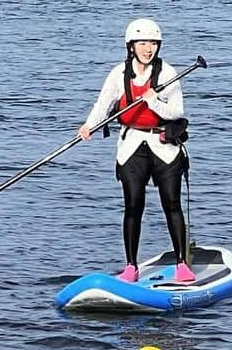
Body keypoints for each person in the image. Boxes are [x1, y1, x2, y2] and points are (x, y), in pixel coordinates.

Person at [78, 18, 194, 283]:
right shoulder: (119, 74)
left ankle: (181, 264)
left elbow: (177, 111)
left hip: (164, 146)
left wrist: (154, 102)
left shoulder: (167, 73)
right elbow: (103, 104)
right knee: (133, 206)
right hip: (131, 146)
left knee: (171, 204)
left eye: (153, 43)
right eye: (142, 43)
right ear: (131, 46)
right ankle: (131, 266)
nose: (148, 48)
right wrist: (89, 126)